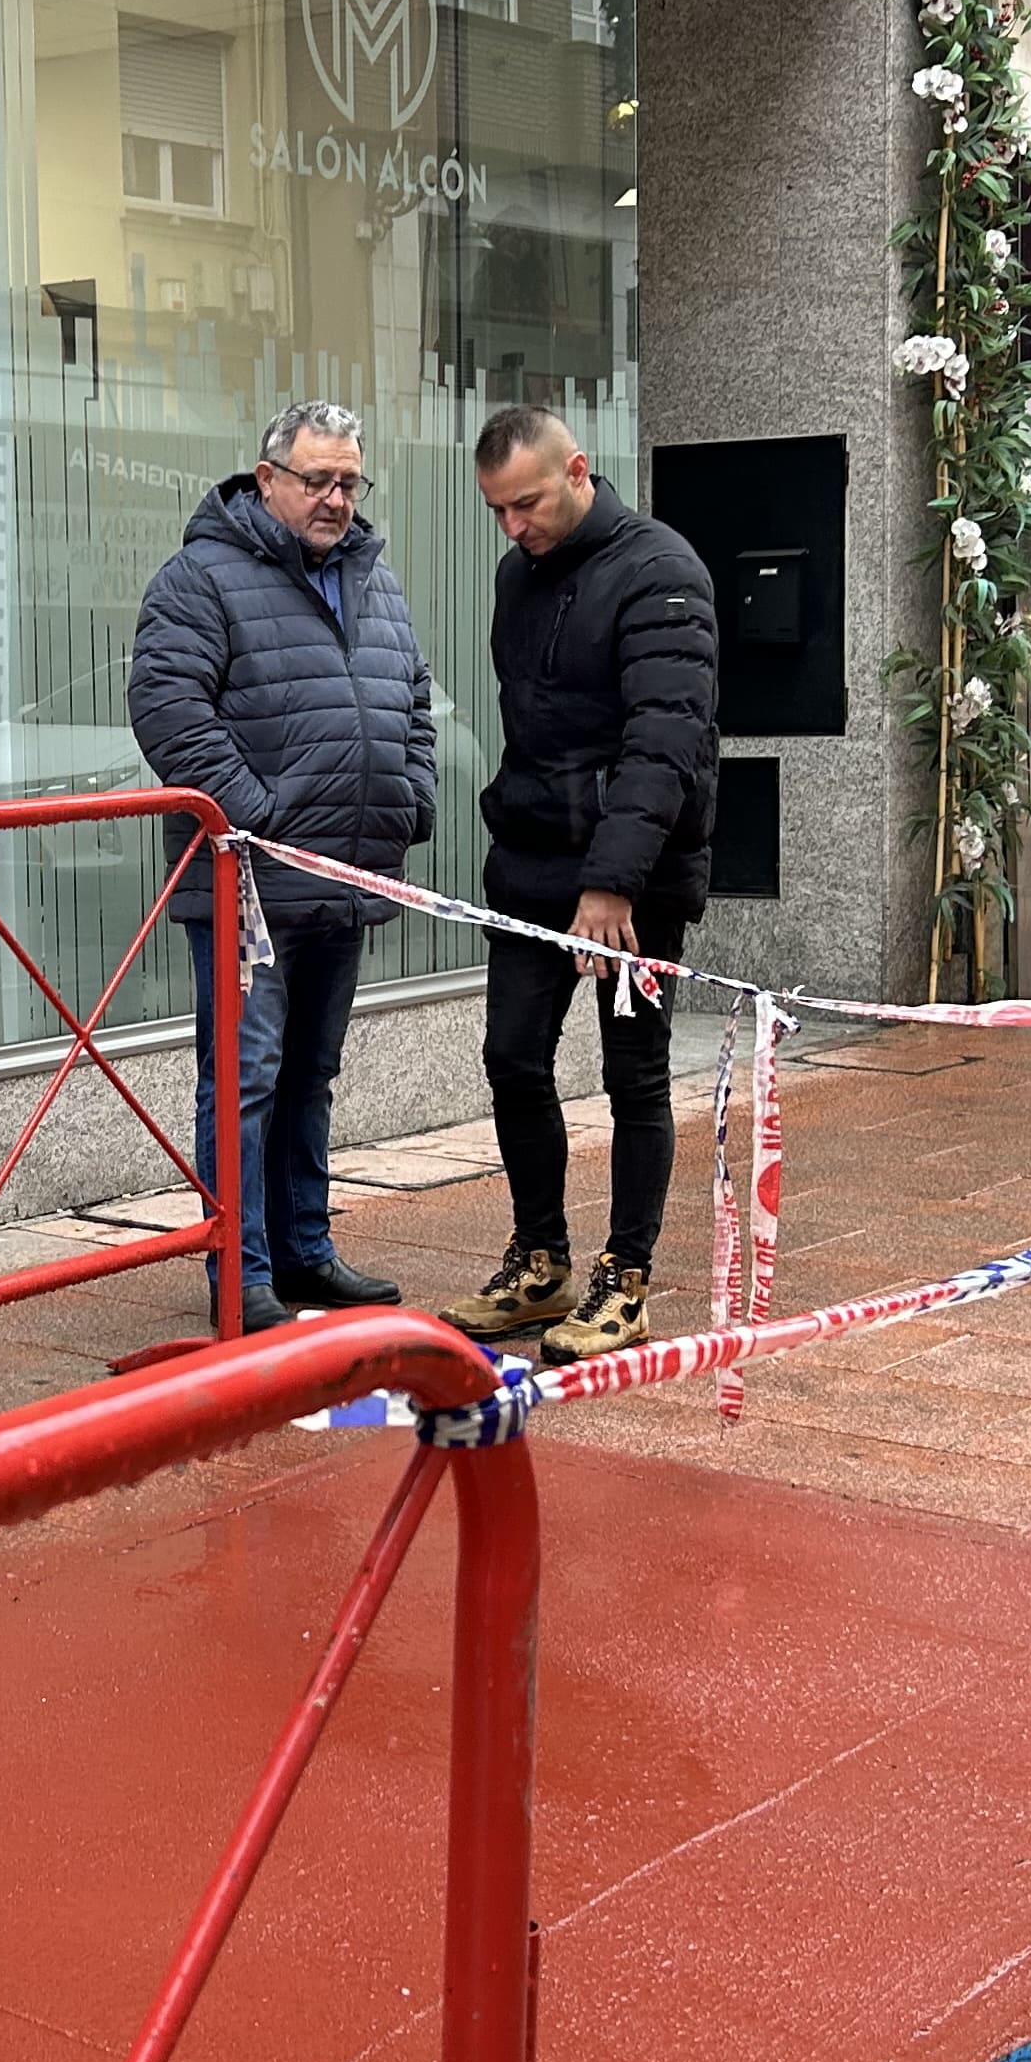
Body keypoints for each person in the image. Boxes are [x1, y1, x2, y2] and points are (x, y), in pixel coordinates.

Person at [128, 398, 437, 1331]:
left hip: (344, 878)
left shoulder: (373, 580)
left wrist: (410, 800)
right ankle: (243, 1271)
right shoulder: (200, 578)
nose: (336, 499)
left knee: (310, 1073)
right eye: (317, 480)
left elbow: (414, 700)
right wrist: (262, 821)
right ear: (267, 480)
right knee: (245, 1078)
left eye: (350, 482)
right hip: (248, 888)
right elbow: (169, 711)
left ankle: (304, 1249)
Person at [438, 405, 718, 1364]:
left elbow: (664, 743)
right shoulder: (517, 576)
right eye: (496, 510)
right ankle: (540, 1260)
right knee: (513, 1057)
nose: (512, 526)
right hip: (530, 863)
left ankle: (626, 1280)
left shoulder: (662, 572)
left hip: (634, 885)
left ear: (578, 471)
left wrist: (612, 883)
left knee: (633, 1075)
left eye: (526, 503)